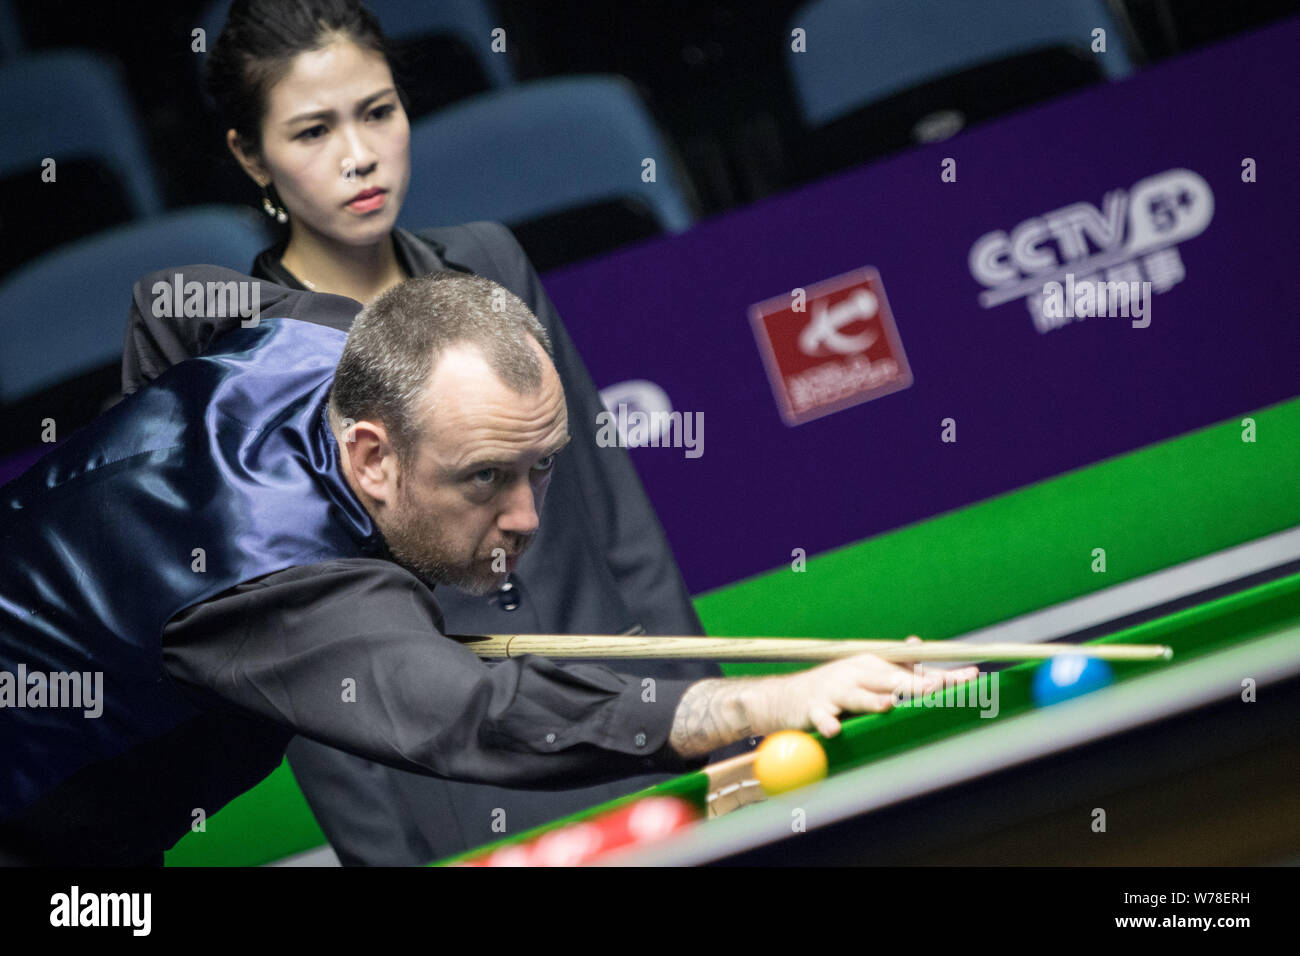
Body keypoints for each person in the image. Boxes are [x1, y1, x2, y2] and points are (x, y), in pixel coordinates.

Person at [0, 272, 974, 865]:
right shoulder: (275, 580)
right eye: (482, 479)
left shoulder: (318, 329)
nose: (524, 518)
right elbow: (475, 711)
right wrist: (752, 705)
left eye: (537, 468)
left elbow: (165, 300)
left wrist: (138, 461)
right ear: (372, 455)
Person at [197, 0, 723, 863]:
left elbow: (618, 524)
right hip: (463, 804)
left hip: (638, 739)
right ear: (250, 156)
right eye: (312, 132)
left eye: (377, 111)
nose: (359, 155)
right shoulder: (247, 375)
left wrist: (708, 728)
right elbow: (308, 686)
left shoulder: (492, 261)